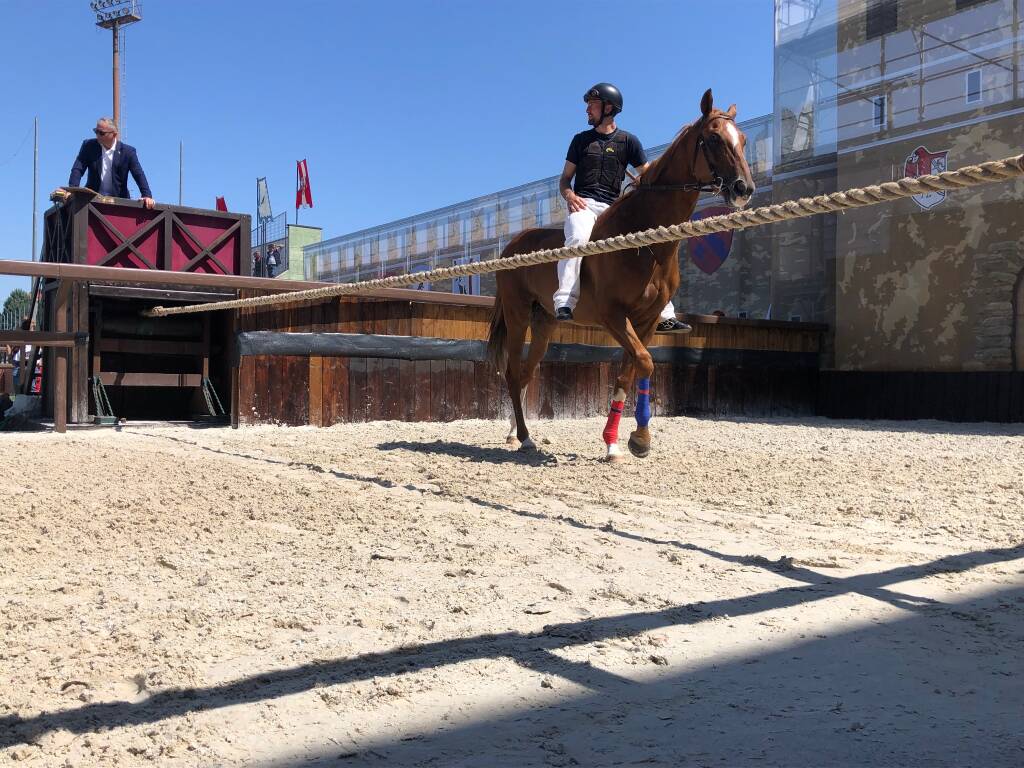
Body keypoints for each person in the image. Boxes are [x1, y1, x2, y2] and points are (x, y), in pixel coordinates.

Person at [555, 83, 690, 333]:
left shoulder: (629, 142)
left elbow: (647, 176)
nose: (587, 109)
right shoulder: (580, 141)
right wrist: (569, 194)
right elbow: (564, 179)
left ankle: (665, 314)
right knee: (577, 235)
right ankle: (565, 300)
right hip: (584, 205)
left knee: (650, 240)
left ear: (608, 108)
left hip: (613, 209)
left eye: (592, 104)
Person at [61, 118, 154, 209]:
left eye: (101, 133)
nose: (97, 135)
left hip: (119, 203)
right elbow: (78, 169)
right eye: (96, 131)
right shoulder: (88, 146)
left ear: (114, 135)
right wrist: (72, 190)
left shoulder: (128, 152)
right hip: (91, 202)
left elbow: (138, 174)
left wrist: (147, 195)